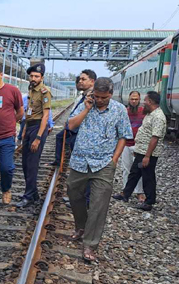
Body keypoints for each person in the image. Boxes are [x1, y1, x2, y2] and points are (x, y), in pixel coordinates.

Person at [66, 77, 132, 262]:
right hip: (80, 161)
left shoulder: (119, 110)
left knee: (98, 204)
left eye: (104, 97)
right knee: (73, 193)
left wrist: (114, 160)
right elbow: (71, 125)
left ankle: (90, 243)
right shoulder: (86, 105)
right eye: (97, 96)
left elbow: (123, 136)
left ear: (111, 94)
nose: (100, 100)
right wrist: (86, 108)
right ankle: (81, 226)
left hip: (103, 164)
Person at [112, 91, 166, 211]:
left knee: (148, 176)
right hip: (141, 151)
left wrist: (147, 156)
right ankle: (125, 194)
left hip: (148, 153)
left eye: (145, 100)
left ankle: (149, 201)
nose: (143, 102)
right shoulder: (150, 114)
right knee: (134, 172)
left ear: (151, 102)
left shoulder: (158, 117)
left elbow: (155, 138)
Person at [0, 63, 23, 209]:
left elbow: (20, 111)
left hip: (7, 137)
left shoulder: (12, 90)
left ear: (1, 75)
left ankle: (6, 189)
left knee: (6, 168)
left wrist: (11, 122)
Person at [16, 63, 52, 208]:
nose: (33, 78)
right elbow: (28, 111)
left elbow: (45, 116)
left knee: (32, 164)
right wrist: (24, 131)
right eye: (31, 76)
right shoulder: (31, 89)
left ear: (42, 77)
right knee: (25, 163)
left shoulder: (45, 92)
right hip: (29, 126)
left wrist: (38, 137)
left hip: (38, 127)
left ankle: (28, 196)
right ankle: (34, 193)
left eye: (36, 76)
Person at [49, 71, 96, 167]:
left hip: (80, 129)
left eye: (83, 79)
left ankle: (66, 162)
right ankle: (60, 160)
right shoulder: (84, 95)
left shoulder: (92, 96)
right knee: (61, 137)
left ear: (92, 81)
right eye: (80, 79)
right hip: (75, 126)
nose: (80, 81)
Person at [115, 91, 144, 201]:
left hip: (139, 145)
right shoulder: (124, 112)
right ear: (129, 99)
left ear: (139, 100)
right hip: (126, 144)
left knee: (139, 170)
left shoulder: (143, 112)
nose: (134, 101)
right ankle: (125, 190)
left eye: (136, 99)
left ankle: (139, 192)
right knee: (126, 169)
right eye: (132, 99)